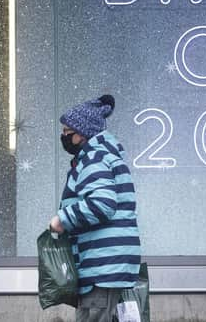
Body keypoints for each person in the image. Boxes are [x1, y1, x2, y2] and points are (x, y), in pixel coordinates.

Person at [49, 94, 141, 322]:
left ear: (82, 134)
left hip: (102, 267)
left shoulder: (94, 158)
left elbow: (101, 204)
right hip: (107, 263)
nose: (63, 137)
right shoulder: (105, 156)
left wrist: (62, 219)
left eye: (67, 132)